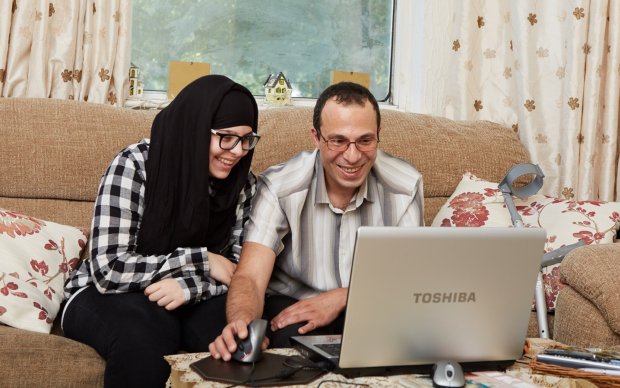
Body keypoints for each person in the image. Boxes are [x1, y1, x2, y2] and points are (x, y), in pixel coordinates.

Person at [61, 75, 260, 387]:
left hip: (193, 296)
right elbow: (109, 269)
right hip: (108, 293)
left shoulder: (243, 184)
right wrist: (202, 260)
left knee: (240, 341)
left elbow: (240, 275)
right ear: (194, 128)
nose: (237, 151)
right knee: (144, 336)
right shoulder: (137, 164)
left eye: (247, 139)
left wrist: (191, 289)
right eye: (226, 137)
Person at [209, 82, 423, 360]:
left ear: (378, 136)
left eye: (365, 140)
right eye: (338, 140)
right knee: (289, 335)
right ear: (316, 137)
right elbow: (250, 275)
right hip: (296, 305)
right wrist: (243, 325)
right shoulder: (280, 185)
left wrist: (344, 296)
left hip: (373, 305)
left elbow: (409, 280)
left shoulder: (405, 184)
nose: (353, 155)